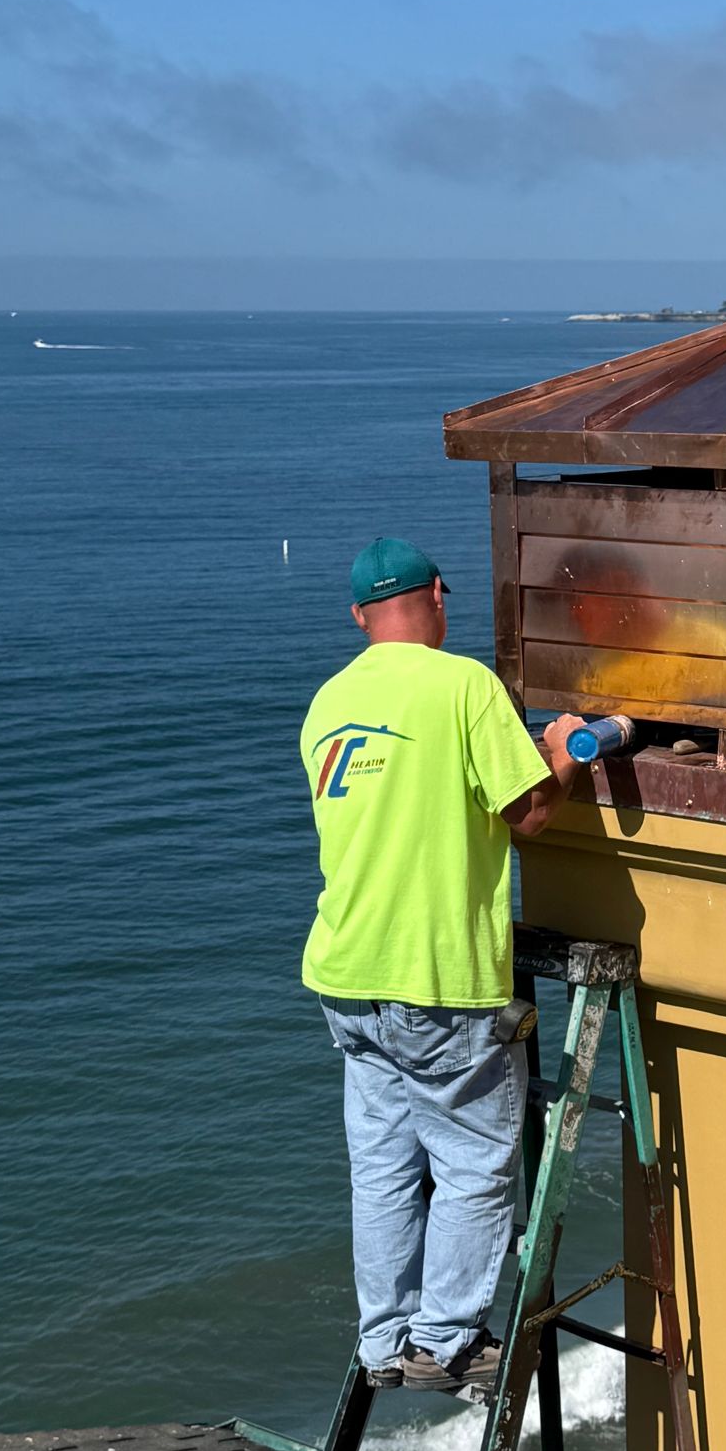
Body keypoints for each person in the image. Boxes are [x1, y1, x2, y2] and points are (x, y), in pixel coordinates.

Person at [300, 535, 584, 1393]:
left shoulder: (327, 702)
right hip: (436, 975)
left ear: (358, 617)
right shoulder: (463, 685)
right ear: (436, 598)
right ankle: (448, 1342)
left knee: (384, 1169)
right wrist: (564, 748)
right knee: (474, 1164)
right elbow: (529, 812)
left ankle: (385, 1342)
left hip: (346, 974)